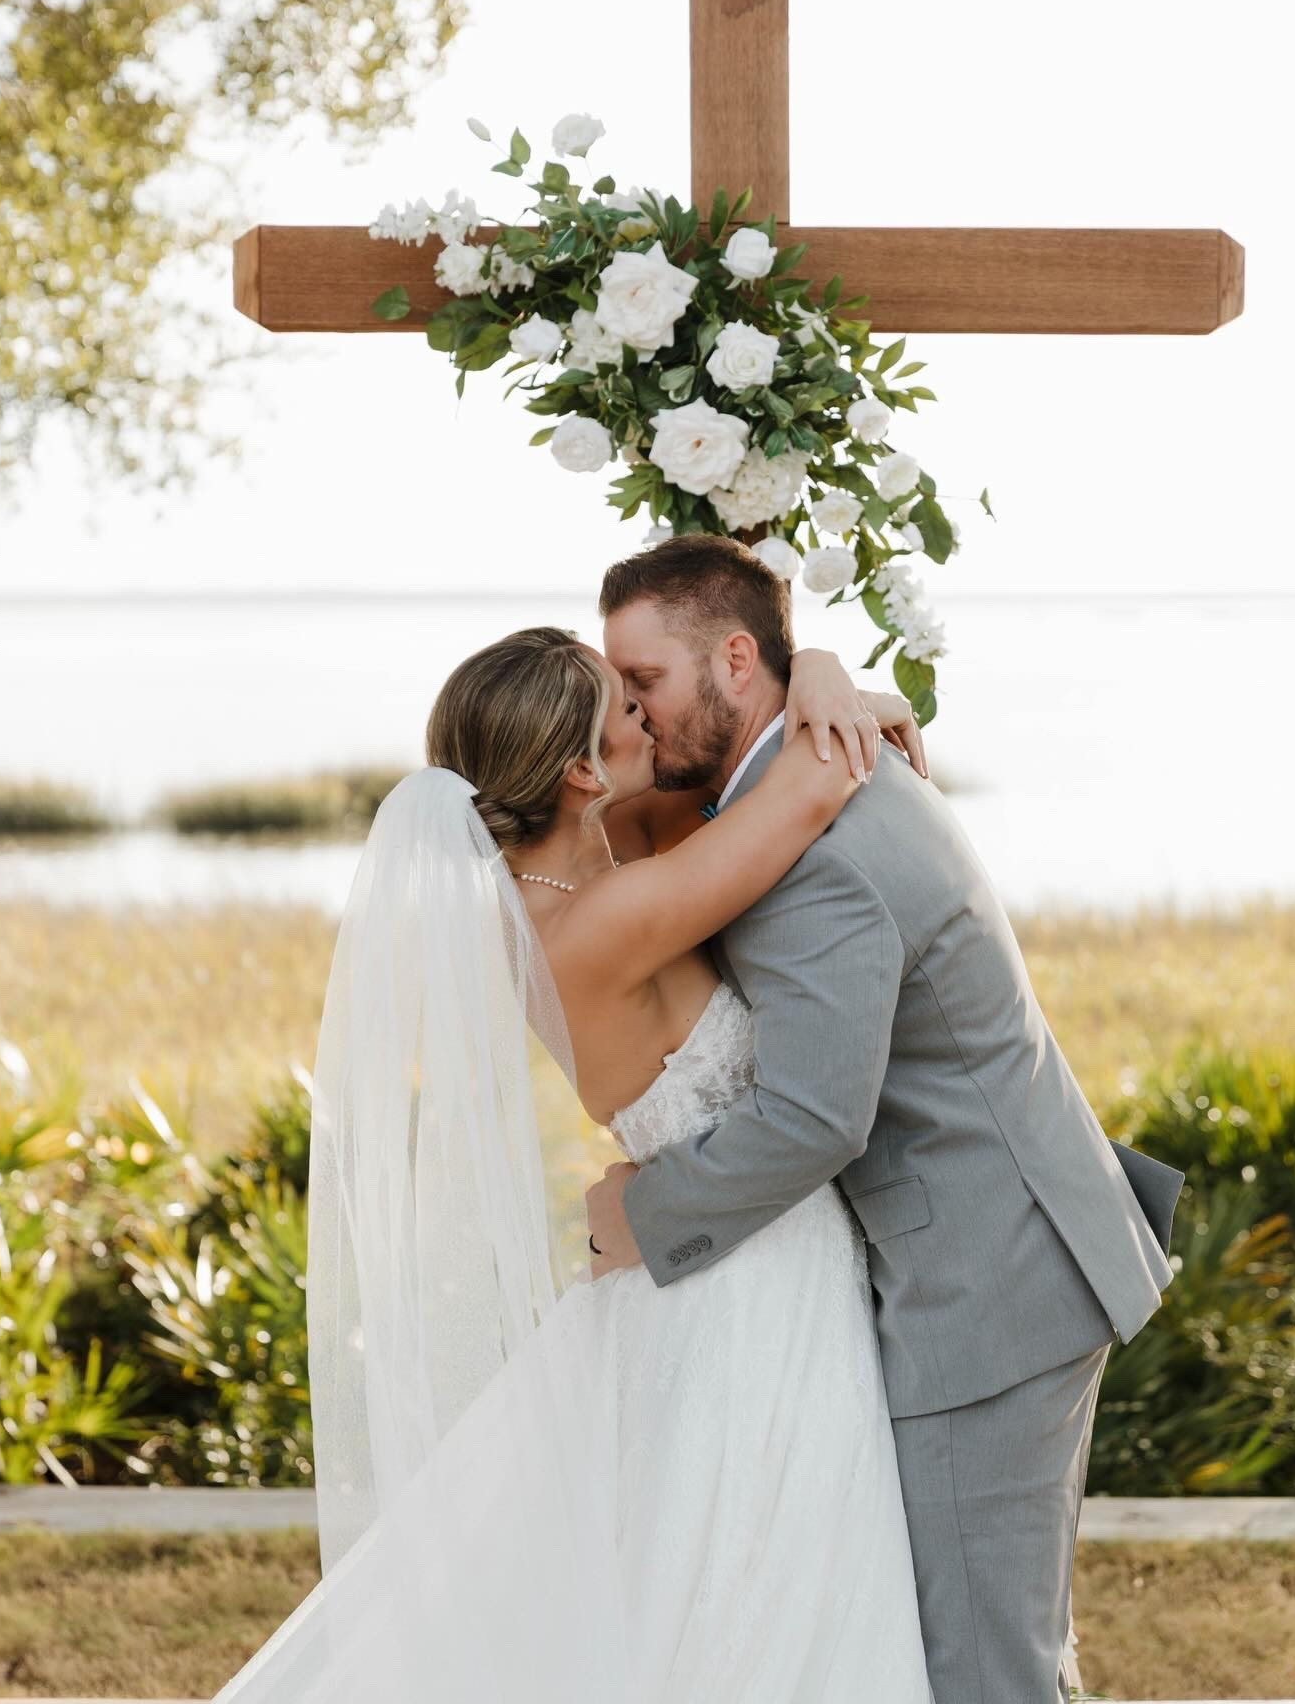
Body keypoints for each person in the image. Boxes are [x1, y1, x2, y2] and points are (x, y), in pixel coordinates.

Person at [212, 621, 938, 1703]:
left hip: (707, 1245)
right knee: (761, 1579)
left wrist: (814, 667)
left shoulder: (562, 882)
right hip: (750, 1273)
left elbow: (739, 767)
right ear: (583, 769)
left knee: (702, 1577)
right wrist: (823, 680)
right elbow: (810, 786)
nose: (652, 715)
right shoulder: (610, 918)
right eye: (629, 710)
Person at [585, 533, 1186, 1704]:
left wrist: (639, 1217)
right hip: (1003, 1251)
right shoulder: (802, 776)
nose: (632, 714)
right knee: (990, 1641)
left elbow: (814, 1119)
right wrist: (826, 670)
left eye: (643, 683)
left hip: (988, 1283)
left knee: (980, 1668)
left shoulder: (816, 849)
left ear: (739, 662)